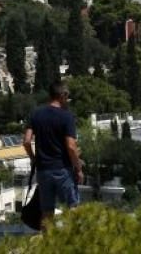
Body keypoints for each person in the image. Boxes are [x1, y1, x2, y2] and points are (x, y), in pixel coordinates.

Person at [23, 79, 83, 229]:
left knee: (47, 211)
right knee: (73, 206)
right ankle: (76, 240)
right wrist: (79, 168)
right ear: (62, 95)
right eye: (67, 96)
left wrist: (34, 159)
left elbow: (26, 141)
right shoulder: (66, 116)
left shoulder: (36, 114)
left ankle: (47, 244)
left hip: (43, 170)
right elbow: (70, 146)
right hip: (63, 168)